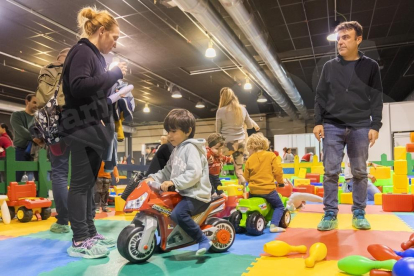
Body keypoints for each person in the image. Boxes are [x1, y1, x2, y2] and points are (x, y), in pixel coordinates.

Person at [61, 6, 127, 258]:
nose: (115, 42)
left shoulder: (95, 56)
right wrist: (113, 74)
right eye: (114, 36)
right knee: (80, 185)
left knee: (88, 184)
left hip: (89, 126)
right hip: (79, 127)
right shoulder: (82, 51)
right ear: (101, 31)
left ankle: (88, 232)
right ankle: (79, 240)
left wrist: (114, 92)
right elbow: (78, 87)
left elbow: (92, 93)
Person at [313, 21, 383, 231]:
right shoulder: (330, 66)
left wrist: (376, 125)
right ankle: (330, 214)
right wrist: (318, 122)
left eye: (346, 37)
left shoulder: (370, 66)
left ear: (358, 39)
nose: (340, 42)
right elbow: (320, 96)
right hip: (332, 125)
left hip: (361, 125)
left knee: (360, 172)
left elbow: (376, 96)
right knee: (330, 172)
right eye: (339, 38)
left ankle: (359, 212)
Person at [147, 109, 212, 256]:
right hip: (184, 193)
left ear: (188, 131)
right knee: (160, 210)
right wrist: (153, 178)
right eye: (168, 131)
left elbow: (194, 173)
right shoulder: (177, 150)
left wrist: (174, 182)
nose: (169, 135)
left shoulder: (191, 148)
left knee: (178, 214)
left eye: (173, 131)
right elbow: (166, 171)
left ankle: (202, 239)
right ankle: (164, 242)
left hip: (196, 195)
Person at [36, 48, 72, 234]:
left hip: (54, 125)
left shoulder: (47, 69)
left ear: (58, 57)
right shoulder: (76, 67)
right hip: (77, 122)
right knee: (83, 173)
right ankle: (86, 217)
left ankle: (63, 220)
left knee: (59, 172)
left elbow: (40, 100)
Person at [243, 133, 285, 233]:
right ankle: (274, 225)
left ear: (251, 147)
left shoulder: (250, 159)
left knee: (251, 207)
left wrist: (252, 183)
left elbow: (246, 176)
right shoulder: (271, 155)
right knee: (279, 206)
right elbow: (278, 171)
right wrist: (280, 182)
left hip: (253, 191)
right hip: (268, 190)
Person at [216, 87, 258, 185]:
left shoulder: (220, 111)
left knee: (217, 168)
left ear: (222, 98)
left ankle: (215, 191)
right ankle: (242, 192)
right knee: (239, 171)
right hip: (241, 143)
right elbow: (250, 125)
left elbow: (217, 132)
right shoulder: (242, 109)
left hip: (227, 144)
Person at [10, 95, 42, 181]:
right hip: (21, 150)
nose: (36, 105)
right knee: (15, 179)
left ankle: (41, 194)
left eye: (38, 103)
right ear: (27, 102)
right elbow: (21, 131)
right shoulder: (16, 115)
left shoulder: (40, 119)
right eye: (34, 102)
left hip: (36, 150)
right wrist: (36, 138)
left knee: (41, 179)